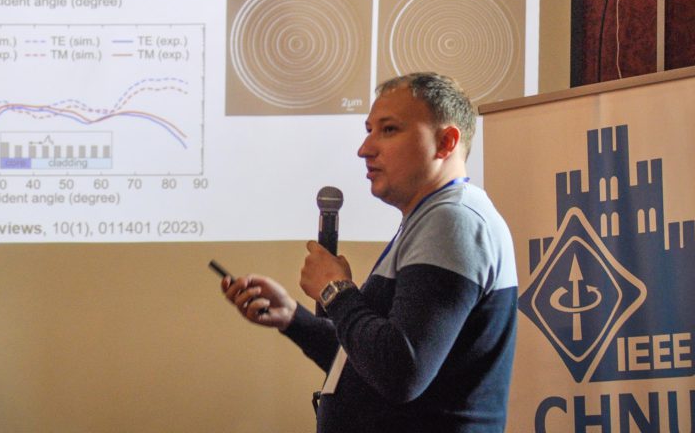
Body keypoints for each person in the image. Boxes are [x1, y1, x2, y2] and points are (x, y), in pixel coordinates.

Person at [221, 72, 517, 433]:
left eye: (389, 130)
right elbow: (366, 364)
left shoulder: (452, 219)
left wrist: (335, 291)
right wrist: (293, 319)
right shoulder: (432, 220)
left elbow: (401, 371)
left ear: (445, 142)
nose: (365, 148)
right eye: (368, 130)